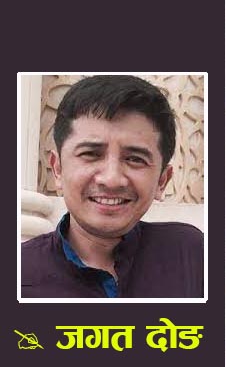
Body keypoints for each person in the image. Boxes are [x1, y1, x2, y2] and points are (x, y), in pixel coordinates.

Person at [21, 75, 203, 298]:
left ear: (162, 180)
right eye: (90, 154)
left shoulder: (193, 257)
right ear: (57, 169)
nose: (112, 179)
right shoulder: (20, 276)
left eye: (135, 159)